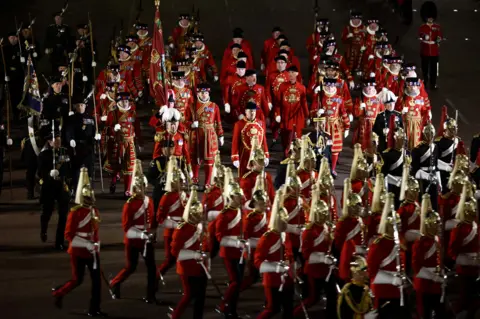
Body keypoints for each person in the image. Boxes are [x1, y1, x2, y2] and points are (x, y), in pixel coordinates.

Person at [51, 168, 106, 317]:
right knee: (77, 280)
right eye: (88, 198)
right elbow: (69, 235)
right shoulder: (75, 213)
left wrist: (96, 245)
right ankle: (59, 293)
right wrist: (87, 244)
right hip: (78, 251)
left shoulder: (94, 211)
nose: (91, 200)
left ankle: (94, 308)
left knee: (97, 282)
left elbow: (95, 232)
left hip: (92, 251)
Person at [109, 160, 157, 303]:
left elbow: (151, 219)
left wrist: (152, 233)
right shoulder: (129, 205)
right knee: (131, 267)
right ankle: (115, 283)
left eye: (144, 186)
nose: (143, 189)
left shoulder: (149, 201)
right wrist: (141, 234)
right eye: (140, 187)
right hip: (133, 241)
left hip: (146, 239)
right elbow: (127, 228)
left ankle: (151, 295)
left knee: (152, 268)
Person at [294, 190, 337, 318]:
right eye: (322, 214)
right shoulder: (308, 232)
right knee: (313, 298)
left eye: (325, 214)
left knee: (332, 295)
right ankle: (295, 314)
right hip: (313, 270)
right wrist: (323, 258)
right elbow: (307, 254)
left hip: (326, 268)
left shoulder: (326, 227)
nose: (324, 216)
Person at [254, 185, 294, 318]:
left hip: (287, 277)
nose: (285, 224)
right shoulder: (267, 238)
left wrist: (292, 267)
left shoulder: (284, 234)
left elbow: (288, 253)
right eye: (283, 221)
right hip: (272, 280)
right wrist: (276, 268)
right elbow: (258, 262)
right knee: (273, 308)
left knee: (288, 309)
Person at [169, 186, 209, 319]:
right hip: (187, 267)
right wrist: (195, 255)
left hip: (200, 266)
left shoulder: (200, 226)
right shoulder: (181, 229)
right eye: (196, 214)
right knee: (189, 295)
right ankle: (175, 316)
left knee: (201, 297)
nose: (199, 216)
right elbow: (175, 252)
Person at [367, 193, 408, 319]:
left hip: (398, 291)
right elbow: (372, 271)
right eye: (397, 225)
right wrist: (392, 279)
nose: (400, 227)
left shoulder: (398, 241)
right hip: (384, 292)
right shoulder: (378, 245)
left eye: (400, 224)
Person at [215, 169, 245, 317]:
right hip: (229, 252)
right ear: (231, 197)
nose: (240, 199)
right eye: (237, 197)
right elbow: (220, 236)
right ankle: (224, 305)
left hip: (240, 251)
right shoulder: (224, 215)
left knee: (238, 283)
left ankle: (232, 309)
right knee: (235, 282)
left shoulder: (241, 211)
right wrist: (236, 242)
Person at [103, 92, 143, 197]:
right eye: (122, 101)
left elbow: (137, 129)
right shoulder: (113, 114)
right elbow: (106, 129)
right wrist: (112, 129)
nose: (125, 103)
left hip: (129, 142)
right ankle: (114, 179)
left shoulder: (133, 113)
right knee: (115, 165)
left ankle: (127, 189)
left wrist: (140, 142)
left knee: (129, 167)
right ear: (118, 102)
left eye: (126, 101)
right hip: (117, 142)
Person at [448, 184, 479, 318]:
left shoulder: (476, 225)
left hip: (477, 266)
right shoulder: (459, 229)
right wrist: (467, 260)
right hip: (464, 268)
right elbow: (452, 251)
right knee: (464, 296)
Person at [185, 83, 224, 188]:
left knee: (209, 160)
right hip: (196, 134)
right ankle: (195, 180)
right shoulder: (191, 106)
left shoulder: (214, 106)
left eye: (206, 93)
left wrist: (221, 135)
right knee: (195, 159)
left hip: (209, 136)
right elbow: (185, 121)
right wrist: (191, 125)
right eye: (202, 93)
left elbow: (218, 122)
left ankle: (207, 182)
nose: (204, 95)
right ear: (198, 93)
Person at [412, 194, 445, 319]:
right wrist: (434, 277)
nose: (439, 226)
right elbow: (416, 267)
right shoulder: (420, 243)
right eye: (436, 224)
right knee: (424, 313)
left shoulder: (436, 239)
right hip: (424, 284)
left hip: (436, 283)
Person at [38, 126, 70, 250]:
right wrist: (48, 174)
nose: (58, 142)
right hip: (49, 187)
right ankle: (44, 229)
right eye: (54, 140)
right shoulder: (43, 155)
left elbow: (69, 169)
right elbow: (40, 172)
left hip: (62, 186)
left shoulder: (65, 152)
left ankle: (59, 241)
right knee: (47, 212)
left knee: (63, 215)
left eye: (59, 139)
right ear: (49, 142)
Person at [311, 78, 350, 175]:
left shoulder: (339, 99)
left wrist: (347, 127)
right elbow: (312, 111)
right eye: (327, 86)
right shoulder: (320, 97)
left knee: (335, 149)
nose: (329, 88)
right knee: (322, 148)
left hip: (336, 126)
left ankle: (332, 169)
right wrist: (318, 112)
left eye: (332, 86)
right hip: (323, 126)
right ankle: (322, 168)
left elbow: (343, 113)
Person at [156, 158, 187, 280]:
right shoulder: (167, 197)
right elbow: (160, 218)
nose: (183, 183)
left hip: (183, 232)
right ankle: (156, 278)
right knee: (170, 260)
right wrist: (174, 225)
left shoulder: (186, 195)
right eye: (180, 181)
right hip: (171, 232)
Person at [65, 95, 100, 193]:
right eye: (78, 105)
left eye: (82, 105)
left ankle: (89, 190)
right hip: (77, 146)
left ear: (85, 106)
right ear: (76, 107)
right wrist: (70, 139)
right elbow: (68, 131)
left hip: (88, 146)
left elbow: (94, 131)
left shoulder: (91, 118)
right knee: (76, 170)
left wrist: (97, 136)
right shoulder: (72, 118)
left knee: (89, 169)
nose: (80, 107)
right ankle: (76, 190)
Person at [240, 173, 269, 291]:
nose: (264, 206)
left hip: (263, 247)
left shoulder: (267, 214)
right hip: (253, 247)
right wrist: (247, 250)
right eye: (262, 204)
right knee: (251, 274)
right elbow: (246, 234)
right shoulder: (250, 218)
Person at [275, 66, 309, 156]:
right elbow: (278, 102)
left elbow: (304, 103)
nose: (290, 74)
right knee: (285, 138)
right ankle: (285, 155)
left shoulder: (302, 88)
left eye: (293, 72)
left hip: (297, 117)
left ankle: (294, 156)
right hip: (285, 116)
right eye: (289, 72)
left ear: (297, 74)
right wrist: (277, 114)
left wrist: (307, 116)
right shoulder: (282, 86)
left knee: (296, 138)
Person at [231, 102, 269, 178]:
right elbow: (235, 142)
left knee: (258, 178)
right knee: (244, 177)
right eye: (250, 111)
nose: (252, 113)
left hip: (258, 156)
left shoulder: (260, 123)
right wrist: (235, 157)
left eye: (254, 111)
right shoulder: (239, 124)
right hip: (244, 154)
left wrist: (266, 155)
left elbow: (263, 141)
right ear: (245, 111)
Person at [435, 106, 466, 193]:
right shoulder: (438, 142)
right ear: (445, 130)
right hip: (443, 174)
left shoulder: (458, 141)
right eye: (452, 129)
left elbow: (462, 156)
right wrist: (446, 167)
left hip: (456, 174)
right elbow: (434, 160)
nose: (454, 131)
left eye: (455, 129)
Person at [395, 77, 431, 150]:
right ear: (407, 86)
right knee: (406, 141)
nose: (413, 88)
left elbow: (424, 111)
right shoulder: (403, 99)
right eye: (411, 86)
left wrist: (428, 115)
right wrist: (401, 112)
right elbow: (397, 110)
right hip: (406, 124)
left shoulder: (420, 98)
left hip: (417, 125)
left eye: (414, 86)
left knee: (416, 142)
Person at [411, 122, 440, 209]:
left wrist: (439, 181)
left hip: (433, 177)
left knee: (434, 202)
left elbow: (436, 165)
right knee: (423, 203)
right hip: (423, 179)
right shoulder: (417, 150)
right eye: (428, 134)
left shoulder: (435, 147)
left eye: (432, 134)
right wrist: (427, 176)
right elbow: (415, 171)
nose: (430, 136)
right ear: (425, 134)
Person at [202, 152, 225, 260]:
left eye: (223, 178)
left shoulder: (229, 190)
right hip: (214, 224)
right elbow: (205, 211)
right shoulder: (211, 193)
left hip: (226, 222)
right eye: (220, 178)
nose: (222, 181)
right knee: (211, 248)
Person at [381, 116, 407, 208]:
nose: (403, 141)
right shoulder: (387, 154)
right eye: (401, 139)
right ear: (396, 139)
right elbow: (384, 174)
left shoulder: (406, 153)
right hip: (392, 186)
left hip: (404, 185)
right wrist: (396, 181)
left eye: (404, 139)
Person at [352, 77, 384, 147]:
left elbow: (382, 112)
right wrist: (360, 108)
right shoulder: (359, 99)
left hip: (375, 124)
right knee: (362, 144)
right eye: (367, 86)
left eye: (371, 86)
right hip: (363, 125)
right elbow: (356, 114)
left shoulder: (378, 99)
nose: (369, 88)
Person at [419, 1, 442, 89]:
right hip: (425, 51)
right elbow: (420, 35)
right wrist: (424, 36)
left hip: (434, 51)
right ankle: (425, 81)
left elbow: (439, 35)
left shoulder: (437, 27)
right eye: (429, 17)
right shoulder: (422, 27)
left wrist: (438, 40)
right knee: (424, 68)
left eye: (431, 17)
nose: (430, 19)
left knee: (434, 70)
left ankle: (433, 83)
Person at [3, 31, 24, 122]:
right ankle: (15, 115)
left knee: (21, 95)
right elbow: (3, 63)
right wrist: (5, 74)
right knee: (12, 96)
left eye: (14, 37)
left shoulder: (21, 47)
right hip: (10, 77)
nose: (12, 39)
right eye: (11, 38)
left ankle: (21, 113)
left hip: (20, 76)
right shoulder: (4, 49)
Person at [373, 89, 402, 153]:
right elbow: (375, 129)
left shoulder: (398, 114)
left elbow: (402, 127)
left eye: (393, 103)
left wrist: (399, 132)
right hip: (384, 142)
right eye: (389, 104)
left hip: (396, 142)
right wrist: (382, 130)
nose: (391, 105)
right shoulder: (380, 116)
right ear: (385, 105)